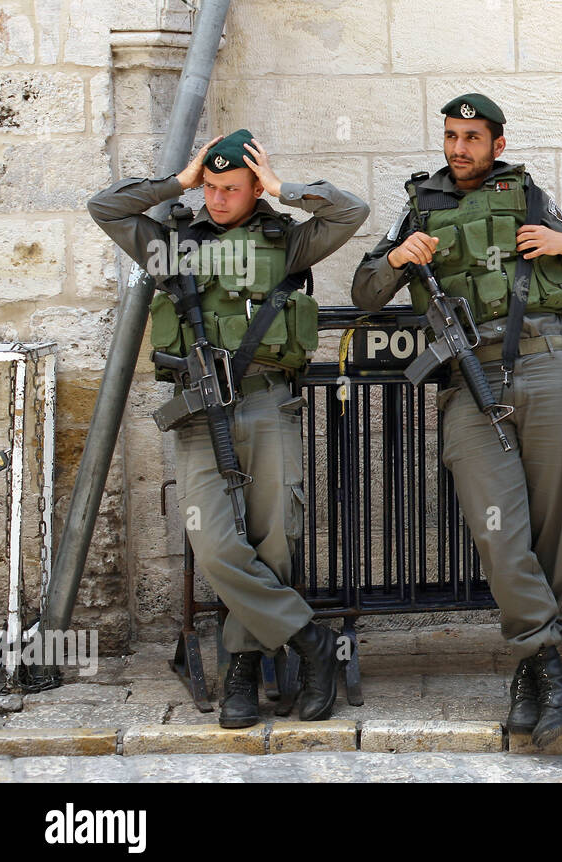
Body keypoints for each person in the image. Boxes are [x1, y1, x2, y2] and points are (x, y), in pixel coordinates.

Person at [88, 130, 369, 728]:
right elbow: (105, 207)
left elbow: (351, 211)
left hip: (267, 405)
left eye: (230, 188)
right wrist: (178, 182)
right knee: (215, 544)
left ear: (252, 187)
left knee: (272, 539)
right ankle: (310, 642)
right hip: (196, 410)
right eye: (210, 188)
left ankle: (242, 670)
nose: (217, 200)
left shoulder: (286, 242)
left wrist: (282, 189)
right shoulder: (172, 244)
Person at [351, 93, 562, 747]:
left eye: (471, 137)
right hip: (468, 377)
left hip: (546, 364)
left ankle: (533, 675)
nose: (458, 148)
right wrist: (398, 258)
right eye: (451, 135)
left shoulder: (530, 196)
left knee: (551, 528)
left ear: (496, 142)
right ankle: (553, 667)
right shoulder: (420, 204)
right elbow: (364, 292)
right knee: (498, 532)